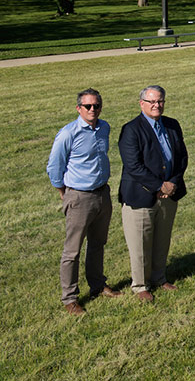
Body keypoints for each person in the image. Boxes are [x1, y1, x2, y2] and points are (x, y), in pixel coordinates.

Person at [47, 88, 122, 315]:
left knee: (98, 244)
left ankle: (97, 285)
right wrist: (66, 192)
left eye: (96, 106)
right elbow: (54, 168)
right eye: (88, 106)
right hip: (79, 196)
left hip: (102, 194)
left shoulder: (104, 128)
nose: (92, 110)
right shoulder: (68, 133)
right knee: (73, 251)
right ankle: (69, 297)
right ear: (78, 108)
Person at [118, 85, 188, 302]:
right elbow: (133, 166)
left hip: (169, 195)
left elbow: (182, 157)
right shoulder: (131, 129)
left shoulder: (172, 125)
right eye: (152, 102)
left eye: (160, 101)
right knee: (140, 244)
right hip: (141, 197)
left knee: (161, 240)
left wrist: (173, 183)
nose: (157, 105)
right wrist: (160, 186)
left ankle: (159, 277)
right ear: (142, 104)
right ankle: (140, 286)